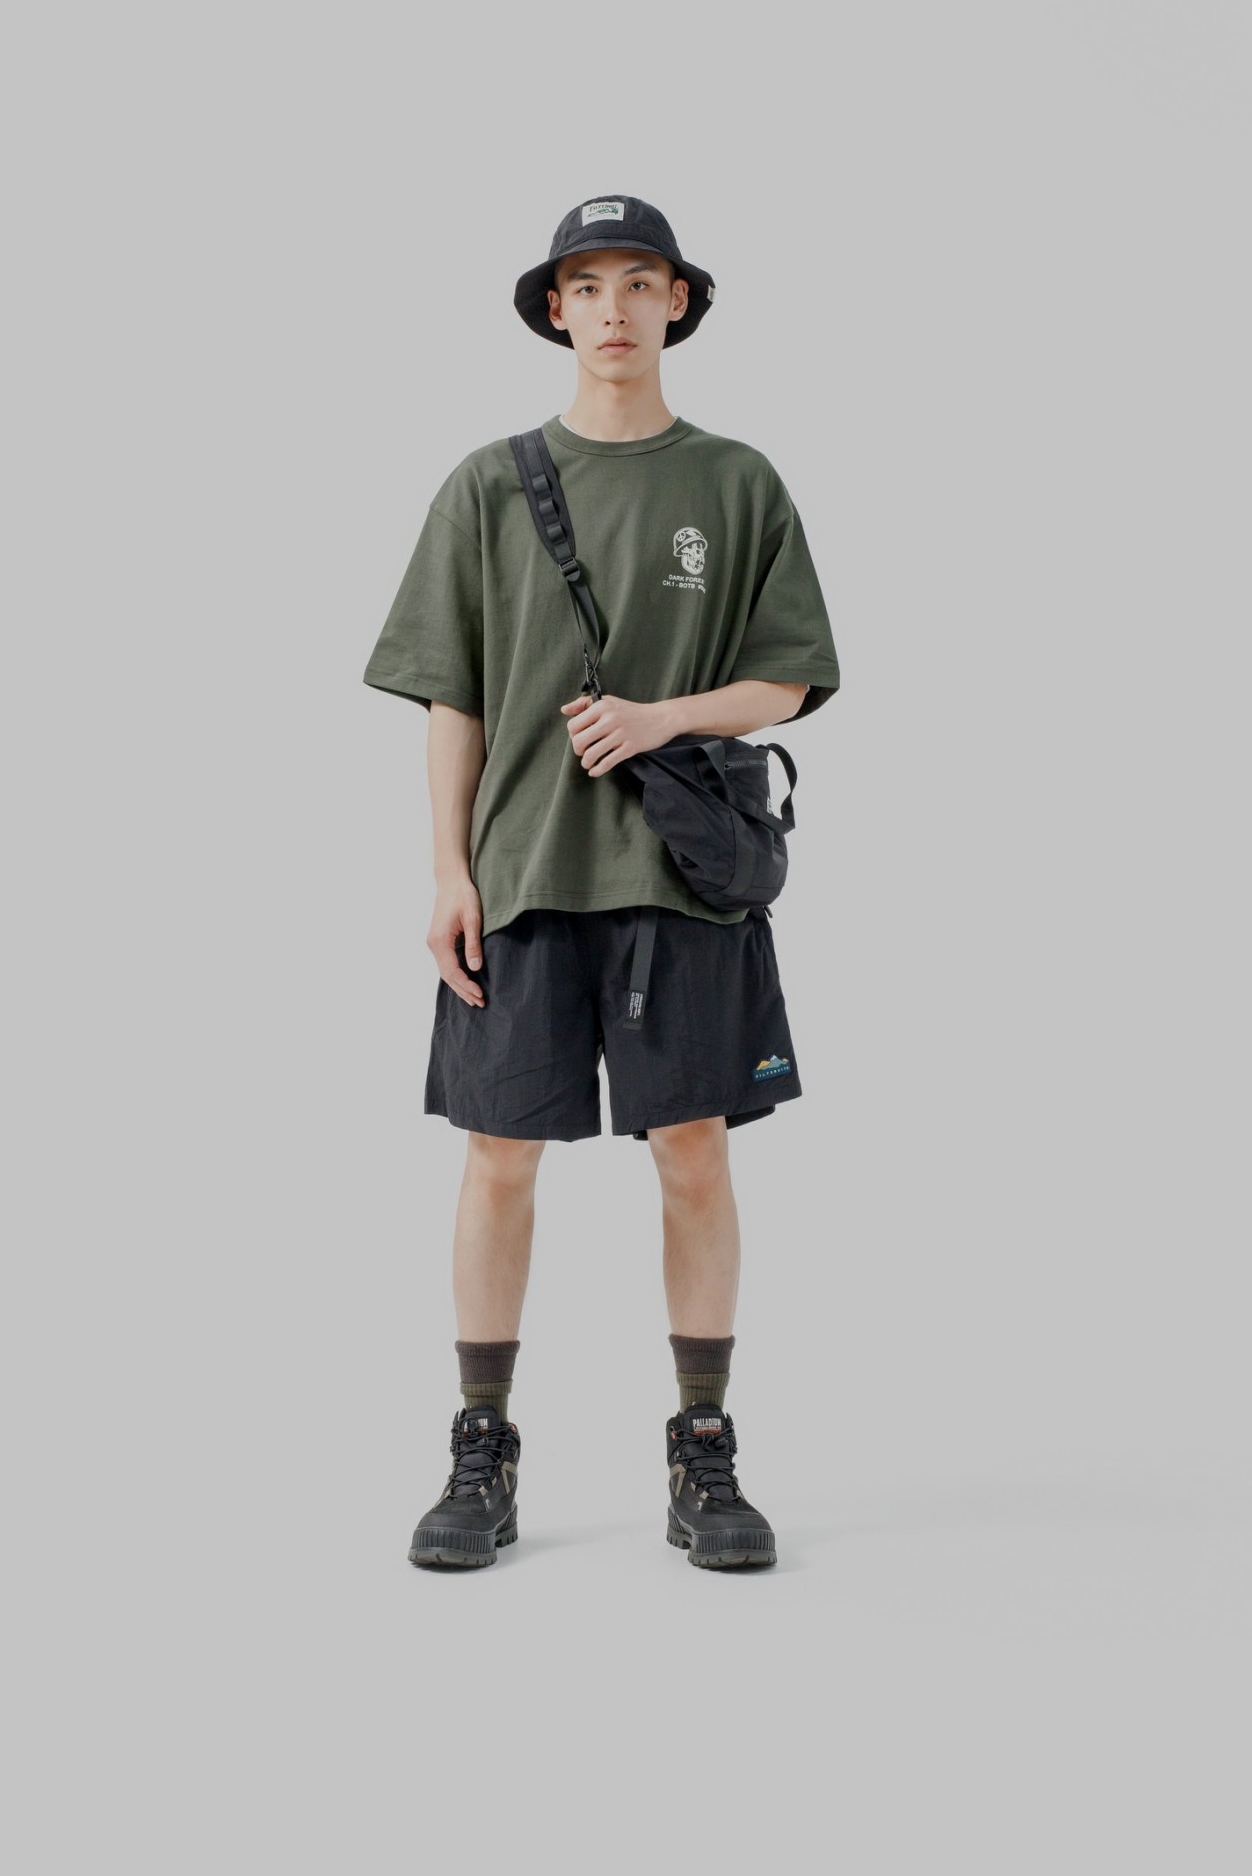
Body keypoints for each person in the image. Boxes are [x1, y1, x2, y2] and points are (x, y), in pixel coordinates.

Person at [363, 195, 841, 1570]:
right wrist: (447, 870)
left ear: (679, 302)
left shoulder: (736, 482)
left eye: (640, 282)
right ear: (555, 310)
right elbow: (450, 694)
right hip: (521, 872)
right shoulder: (486, 484)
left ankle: (703, 1446)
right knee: (497, 1153)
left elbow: (789, 675)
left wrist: (659, 717)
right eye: (587, 285)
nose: (614, 309)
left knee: (692, 1150)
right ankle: (481, 1447)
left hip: (683, 879)